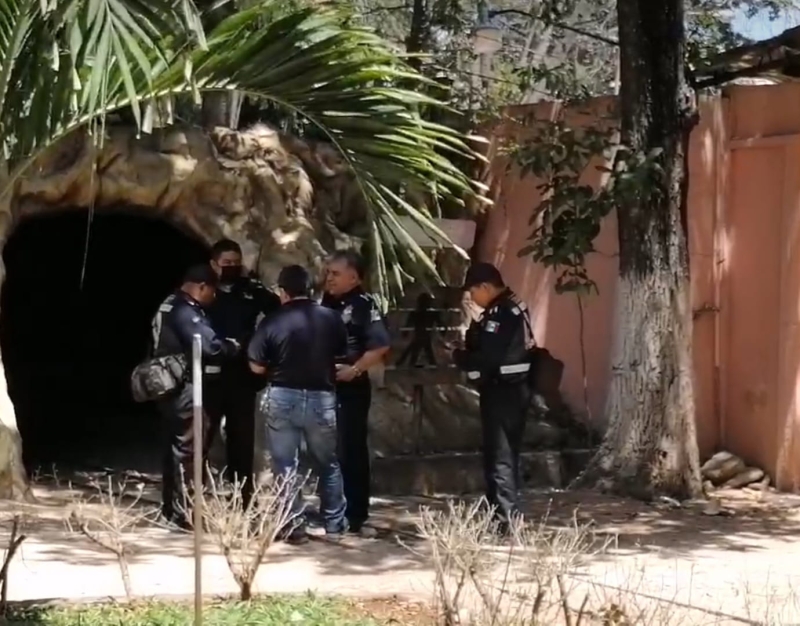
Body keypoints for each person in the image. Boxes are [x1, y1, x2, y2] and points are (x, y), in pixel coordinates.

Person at [248, 265, 348, 544]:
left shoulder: (272, 321)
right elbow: (342, 354)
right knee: (328, 463)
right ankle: (335, 524)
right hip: (322, 398)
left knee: (285, 465)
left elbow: (255, 365)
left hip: (283, 395)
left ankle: (294, 526)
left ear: (283, 292)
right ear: (309, 289)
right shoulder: (331, 318)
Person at [151, 264, 240, 528]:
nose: (214, 299)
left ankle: (172, 507)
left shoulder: (169, 303)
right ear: (202, 287)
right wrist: (233, 346)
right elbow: (209, 346)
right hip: (185, 389)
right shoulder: (184, 311)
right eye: (212, 292)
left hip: (168, 386)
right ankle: (185, 513)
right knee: (189, 451)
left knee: (175, 448)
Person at [451, 262, 534, 533]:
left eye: (473, 292)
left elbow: (489, 357)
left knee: (501, 458)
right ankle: (499, 517)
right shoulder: (508, 306)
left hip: (504, 393)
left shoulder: (502, 312)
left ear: (485, 287)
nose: (471, 299)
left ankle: (507, 523)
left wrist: (461, 357)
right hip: (508, 391)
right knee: (500, 457)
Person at [321, 250, 391, 537]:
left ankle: (356, 514)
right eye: (328, 273)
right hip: (324, 387)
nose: (329, 278)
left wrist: (356, 369)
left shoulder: (364, 304)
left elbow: (380, 346)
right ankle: (333, 511)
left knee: (350, 450)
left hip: (350, 389)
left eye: (335, 274)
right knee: (327, 452)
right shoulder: (326, 303)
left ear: (354, 276)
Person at [206, 239, 281, 502]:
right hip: (210, 377)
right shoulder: (205, 289)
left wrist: (261, 344)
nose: (233, 268)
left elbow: (277, 312)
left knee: (242, 440)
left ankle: (243, 496)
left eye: (237, 264)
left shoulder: (251, 290)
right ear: (214, 264)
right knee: (202, 437)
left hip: (242, 377)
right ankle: (194, 496)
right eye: (227, 264)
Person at [396, 292, 442, 367]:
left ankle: (403, 362)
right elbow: (440, 323)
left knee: (417, 348)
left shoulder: (425, 313)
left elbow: (408, 325)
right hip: (423, 335)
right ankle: (404, 363)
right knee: (420, 348)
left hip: (421, 335)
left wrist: (405, 332)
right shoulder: (429, 314)